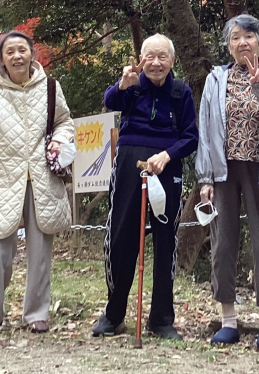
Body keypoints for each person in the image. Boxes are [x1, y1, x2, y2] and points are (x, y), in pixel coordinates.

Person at [196, 14, 259, 351]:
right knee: (222, 241)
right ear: (228, 46)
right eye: (235, 38)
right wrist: (205, 177)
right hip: (224, 169)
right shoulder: (216, 79)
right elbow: (206, 130)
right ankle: (228, 319)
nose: (243, 43)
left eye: (249, 37)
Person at [0, 30, 75, 334]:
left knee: (40, 251)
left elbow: (65, 121)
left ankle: (36, 313)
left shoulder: (51, 87)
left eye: (22, 50)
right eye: (9, 51)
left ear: (32, 54)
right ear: (1, 59)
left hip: (42, 178)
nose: (17, 56)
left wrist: (60, 141)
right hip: (2, 178)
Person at [92, 34, 198, 341]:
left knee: (165, 241)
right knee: (121, 235)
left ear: (172, 61)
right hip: (128, 162)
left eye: (162, 56)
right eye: (149, 56)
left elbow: (191, 136)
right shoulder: (132, 85)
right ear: (141, 59)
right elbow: (110, 102)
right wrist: (123, 84)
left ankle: (162, 319)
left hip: (167, 167)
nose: (155, 62)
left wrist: (167, 155)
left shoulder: (180, 92)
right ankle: (113, 315)